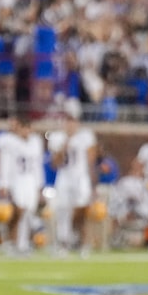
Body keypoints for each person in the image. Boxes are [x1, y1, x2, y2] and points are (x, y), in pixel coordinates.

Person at [46, 99, 98, 256]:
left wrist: (93, 183)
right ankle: (64, 244)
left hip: (81, 178)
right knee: (62, 212)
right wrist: (65, 145)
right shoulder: (57, 138)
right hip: (64, 178)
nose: (70, 124)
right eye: (68, 121)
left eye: (73, 121)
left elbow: (91, 161)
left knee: (82, 211)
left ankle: (84, 243)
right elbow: (55, 164)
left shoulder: (86, 136)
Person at [0, 114, 45, 255]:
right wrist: (2, 183)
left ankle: (23, 244)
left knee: (28, 213)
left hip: (31, 181)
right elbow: (4, 163)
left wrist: (40, 186)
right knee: (18, 212)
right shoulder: (9, 141)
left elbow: (37, 165)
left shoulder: (36, 142)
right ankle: (13, 243)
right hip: (16, 180)